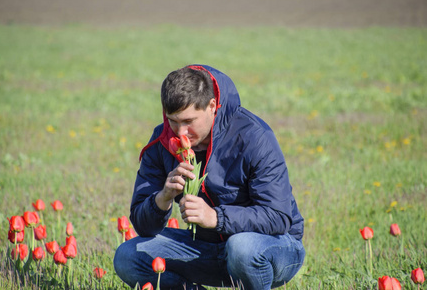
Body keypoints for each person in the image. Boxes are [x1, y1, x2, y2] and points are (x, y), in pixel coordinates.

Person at [113, 65, 305, 290]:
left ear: (212, 106)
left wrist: (216, 217)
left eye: (189, 121)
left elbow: (279, 217)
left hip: (272, 248)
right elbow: (142, 225)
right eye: (173, 121)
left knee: (241, 247)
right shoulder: (162, 141)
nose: (180, 132)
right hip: (205, 248)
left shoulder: (254, 136)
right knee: (127, 256)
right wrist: (163, 198)